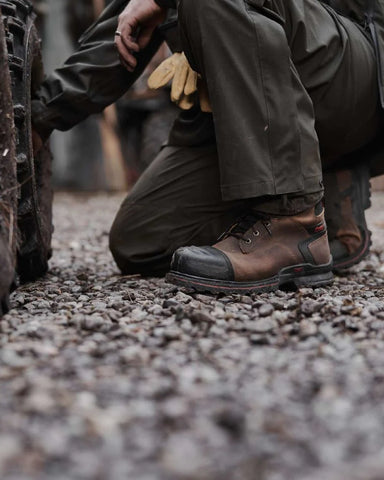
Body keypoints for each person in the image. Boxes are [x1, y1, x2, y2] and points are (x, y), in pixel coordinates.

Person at [32, 0, 384, 293]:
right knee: (142, 240)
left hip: (351, 61)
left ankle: (293, 218)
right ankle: (322, 172)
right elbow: (126, 29)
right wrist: (39, 118)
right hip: (248, 94)